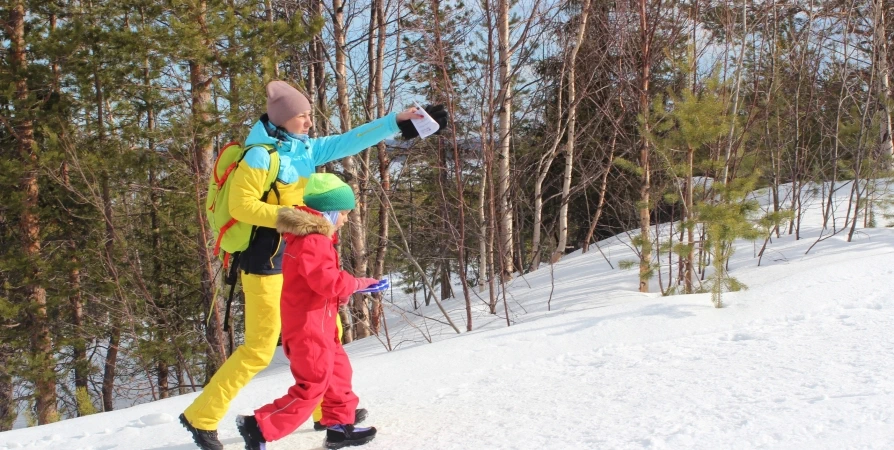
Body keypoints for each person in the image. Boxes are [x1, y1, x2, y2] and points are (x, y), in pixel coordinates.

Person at [179, 80, 444, 450]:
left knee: (327, 334)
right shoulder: (260, 155)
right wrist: (297, 219)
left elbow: (351, 139)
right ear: (282, 119)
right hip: (266, 259)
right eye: (301, 116)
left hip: (300, 256)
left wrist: (399, 122)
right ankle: (201, 416)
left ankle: (332, 415)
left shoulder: (303, 148)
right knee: (259, 346)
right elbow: (241, 207)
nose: (308, 122)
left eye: (308, 115)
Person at [236, 173, 379, 450]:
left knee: (338, 375)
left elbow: (315, 284)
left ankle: (339, 428)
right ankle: (259, 426)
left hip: (320, 325)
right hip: (308, 330)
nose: (346, 220)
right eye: (344, 213)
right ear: (329, 211)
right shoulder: (313, 241)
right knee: (312, 385)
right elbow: (327, 282)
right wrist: (359, 284)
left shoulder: (314, 238)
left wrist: (339, 299)